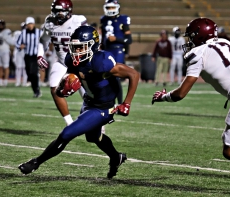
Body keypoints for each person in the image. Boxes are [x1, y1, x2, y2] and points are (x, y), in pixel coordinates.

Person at [152, 17, 230, 197]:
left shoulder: (198, 54)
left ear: (200, 35)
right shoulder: (224, 43)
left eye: (192, 36)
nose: (190, 41)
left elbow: (180, 94)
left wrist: (163, 97)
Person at [18, 26, 139, 179]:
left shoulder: (101, 61)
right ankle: (116, 157)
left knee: (67, 133)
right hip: (88, 102)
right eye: (74, 47)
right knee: (93, 138)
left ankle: (36, 162)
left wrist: (126, 103)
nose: (76, 51)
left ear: (93, 45)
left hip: (103, 107)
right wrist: (65, 85)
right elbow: (72, 76)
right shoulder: (71, 59)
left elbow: (133, 74)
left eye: (81, 47)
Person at [37, 0, 87, 126]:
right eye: (56, 11)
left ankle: (99, 123)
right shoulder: (50, 22)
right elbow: (43, 40)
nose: (59, 14)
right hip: (62, 61)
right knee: (54, 88)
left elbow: (91, 38)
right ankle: (70, 123)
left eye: (62, 11)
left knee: (87, 95)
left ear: (69, 11)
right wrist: (39, 55)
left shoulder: (78, 21)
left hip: (79, 62)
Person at [100, 0, 133, 104]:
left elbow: (129, 40)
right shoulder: (104, 19)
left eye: (112, 8)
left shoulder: (123, 19)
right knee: (105, 77)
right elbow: (103, 37)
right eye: (108, 8)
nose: (110, 10)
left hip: (118, 50)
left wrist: (117, 39)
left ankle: (119, 103)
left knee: (116, 76)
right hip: (106, 50)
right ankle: (108, 101)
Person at [16, 16, 42, 98]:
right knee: (29, 74)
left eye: (31, 24)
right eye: (28, 24)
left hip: (35, 56)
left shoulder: (39, 32)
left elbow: (45, 42)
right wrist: (20, 46)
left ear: (34, 24)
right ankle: (35, 90)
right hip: (27, 56)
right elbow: (17, 43)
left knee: (33, 72)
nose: (29, 25)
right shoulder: (23, 33)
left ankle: (37, 90)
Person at [0, 19, 13, 86]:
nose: (0, 26)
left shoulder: (7, 31)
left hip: (5, 51)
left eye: (1, 25)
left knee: (6, 66)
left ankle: (5, 81)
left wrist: (6, 38)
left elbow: (10, 41)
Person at [12, 22, 28, 87]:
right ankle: (18, 82)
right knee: (18, 67)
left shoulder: (29, 34)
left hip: (26, 52)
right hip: (18, 52)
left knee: (25, 68)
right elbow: (14, 42)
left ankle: (24, 82)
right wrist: (19, 46)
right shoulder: (17, 33)